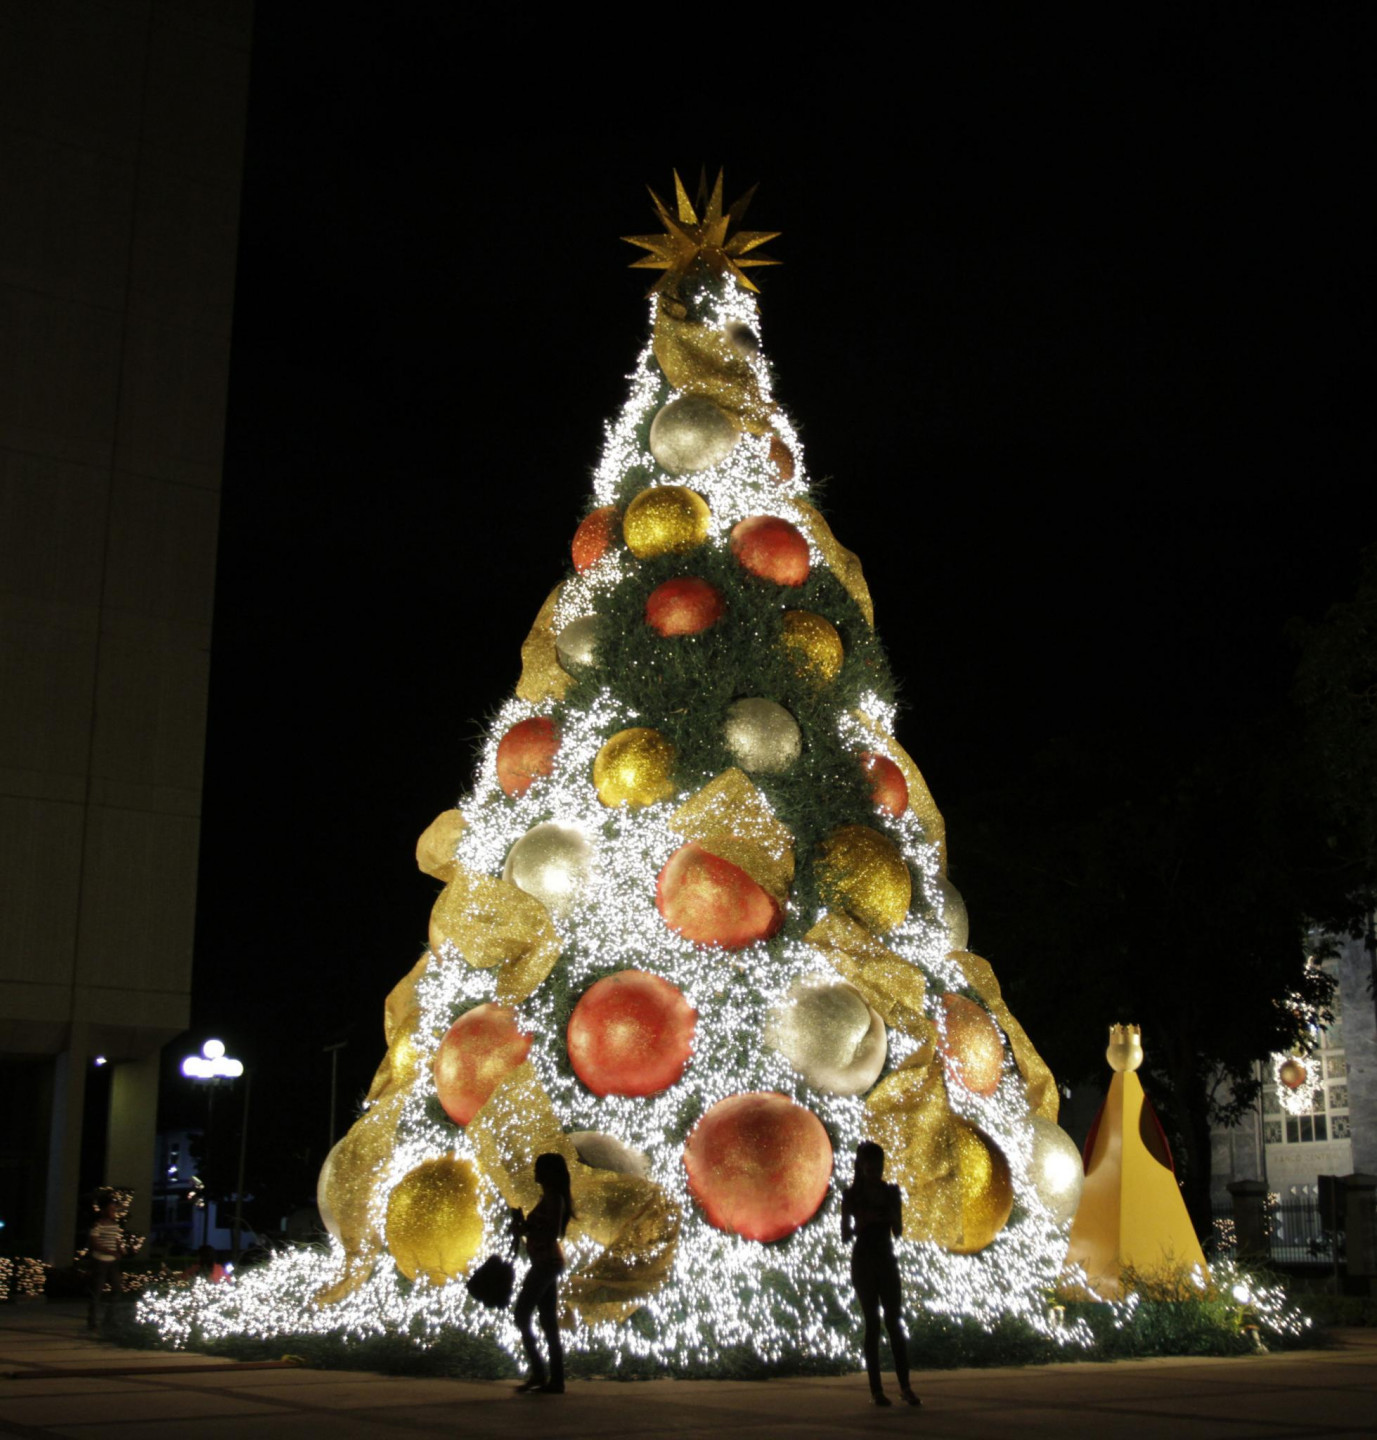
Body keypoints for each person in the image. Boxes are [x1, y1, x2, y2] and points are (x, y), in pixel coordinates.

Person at [841, 1141, 920, 1407]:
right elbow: (844, 1235)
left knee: (895, 1322)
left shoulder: (890, 1192)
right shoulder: (851, 1195)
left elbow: (898, 1230)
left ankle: (905, 1386)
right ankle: (876, 1390)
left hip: (885, 1258)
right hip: (864, 1260)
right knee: (873, 1323)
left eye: (878, 1165)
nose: (875, 1170)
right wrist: (859, 1224)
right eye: (870, 1164)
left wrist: (888, 1215)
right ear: (861, 1166)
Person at [509, 1151, 574, 1395]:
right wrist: (522, 1226)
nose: (535, 1172)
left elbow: (552, 1233)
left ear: (550, 1173)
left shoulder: (554, 1199)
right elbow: (539, 1230)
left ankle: (540, 1371)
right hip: (544, 1262)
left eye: (539, 1168)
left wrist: (529, 1228)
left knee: (522, 1314)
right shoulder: (546, 1197)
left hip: (547, 1263)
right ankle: (554, 1379)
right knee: (547, 1321)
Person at [86, 1198, 124, 1331]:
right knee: (97, 1291)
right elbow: (94, 1243)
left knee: (117, 1289)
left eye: (114, 1210)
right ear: (103, 1211)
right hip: (100, 1261)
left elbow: (116, 1239)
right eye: (111, 1209)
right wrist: (111, 1251)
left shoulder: (115, 1225)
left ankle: (109, 1318)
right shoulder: (97, 1225)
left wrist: (120, 1249)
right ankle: (92, 1321)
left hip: (112, 1262)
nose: (114, 1212)